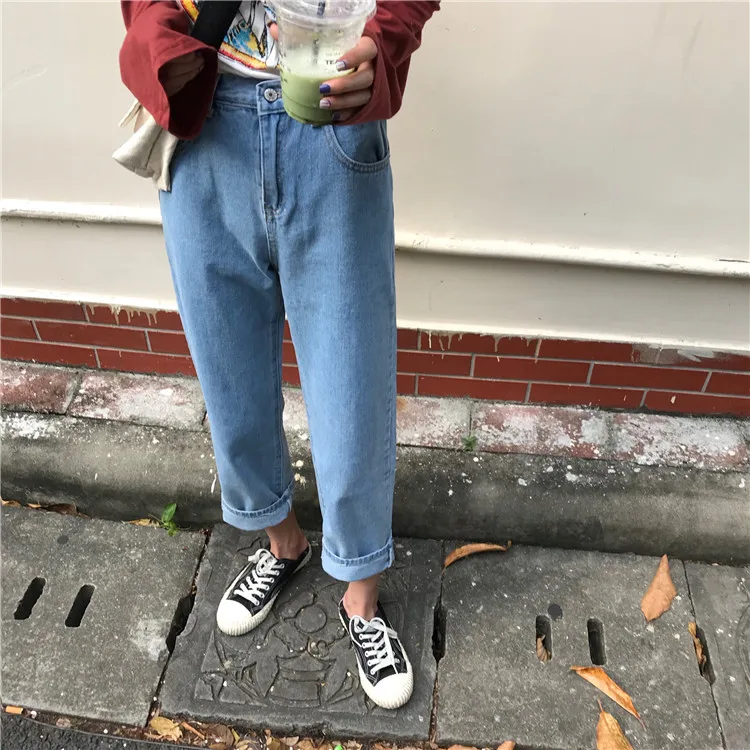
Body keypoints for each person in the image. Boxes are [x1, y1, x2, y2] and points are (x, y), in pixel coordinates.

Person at [119, 0, 439, 710]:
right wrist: (159, 41)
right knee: (227, 369)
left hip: (330, 127)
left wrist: (384, 44)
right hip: (205, 124)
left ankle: (361, 593)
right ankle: (282, 542)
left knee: (351, 381)